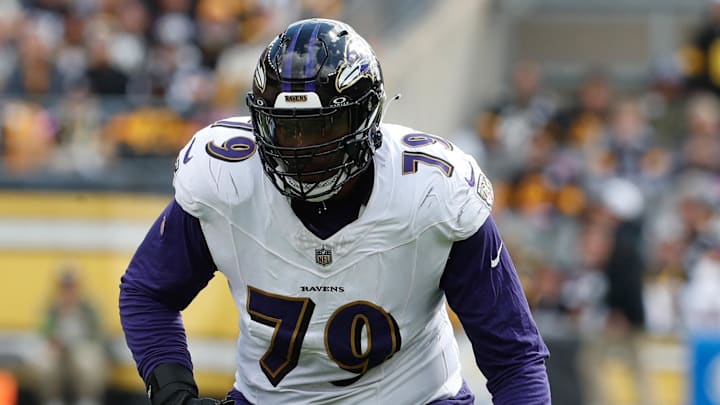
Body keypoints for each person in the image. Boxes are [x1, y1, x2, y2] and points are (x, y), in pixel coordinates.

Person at [119, 18, 551, 404]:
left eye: (320, 127)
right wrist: (174, 392)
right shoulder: (225, 179)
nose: (300, 148)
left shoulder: (430, 190)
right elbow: (148, 292)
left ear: (366, 119)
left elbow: (513, 355)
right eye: (284, 128)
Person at [36, 267, 109, 405]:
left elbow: (99, 335)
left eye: (71, 285)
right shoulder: (52, 308)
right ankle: (52, 399)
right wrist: (53, 342)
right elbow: (43, 333)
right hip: (59, 352)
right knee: (45, 361)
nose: (68, 290)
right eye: (64, 286)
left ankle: (87, 399)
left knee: (88, 359)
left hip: (82, 348)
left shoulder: (89, 308)